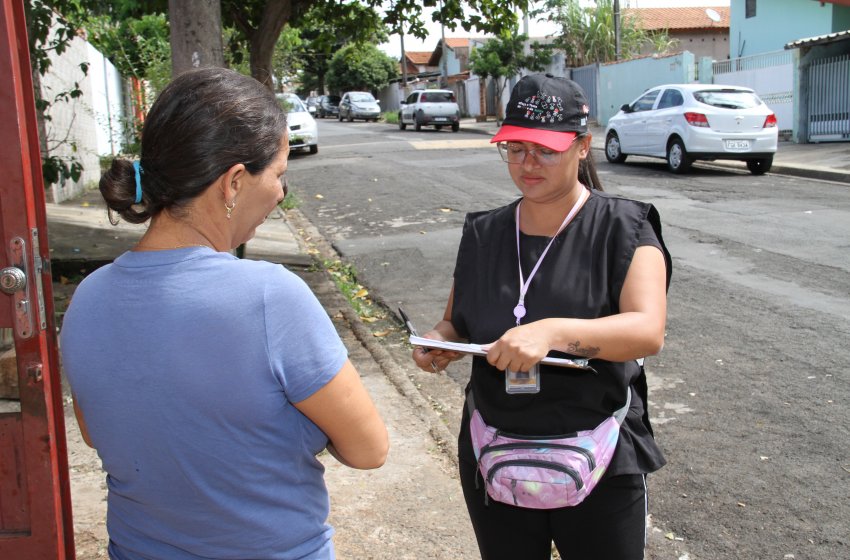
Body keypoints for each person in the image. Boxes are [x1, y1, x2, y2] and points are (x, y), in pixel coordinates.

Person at [60, 67, 388, 560]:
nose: (280, 194)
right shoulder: (269, 297)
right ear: (234, 182)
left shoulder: (88, 297)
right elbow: (368, 449)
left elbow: (96, 431)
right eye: (278, 175)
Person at [412, 73, 672, 560]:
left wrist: (551, 332)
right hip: (495, 450)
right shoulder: (485, 233)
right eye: (515, 148)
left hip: (600, 452)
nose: (528, 164)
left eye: (545, 150)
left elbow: (646, 330)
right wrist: (440, 341)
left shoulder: (624, 226)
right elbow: (457, 322)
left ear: (581, 146)